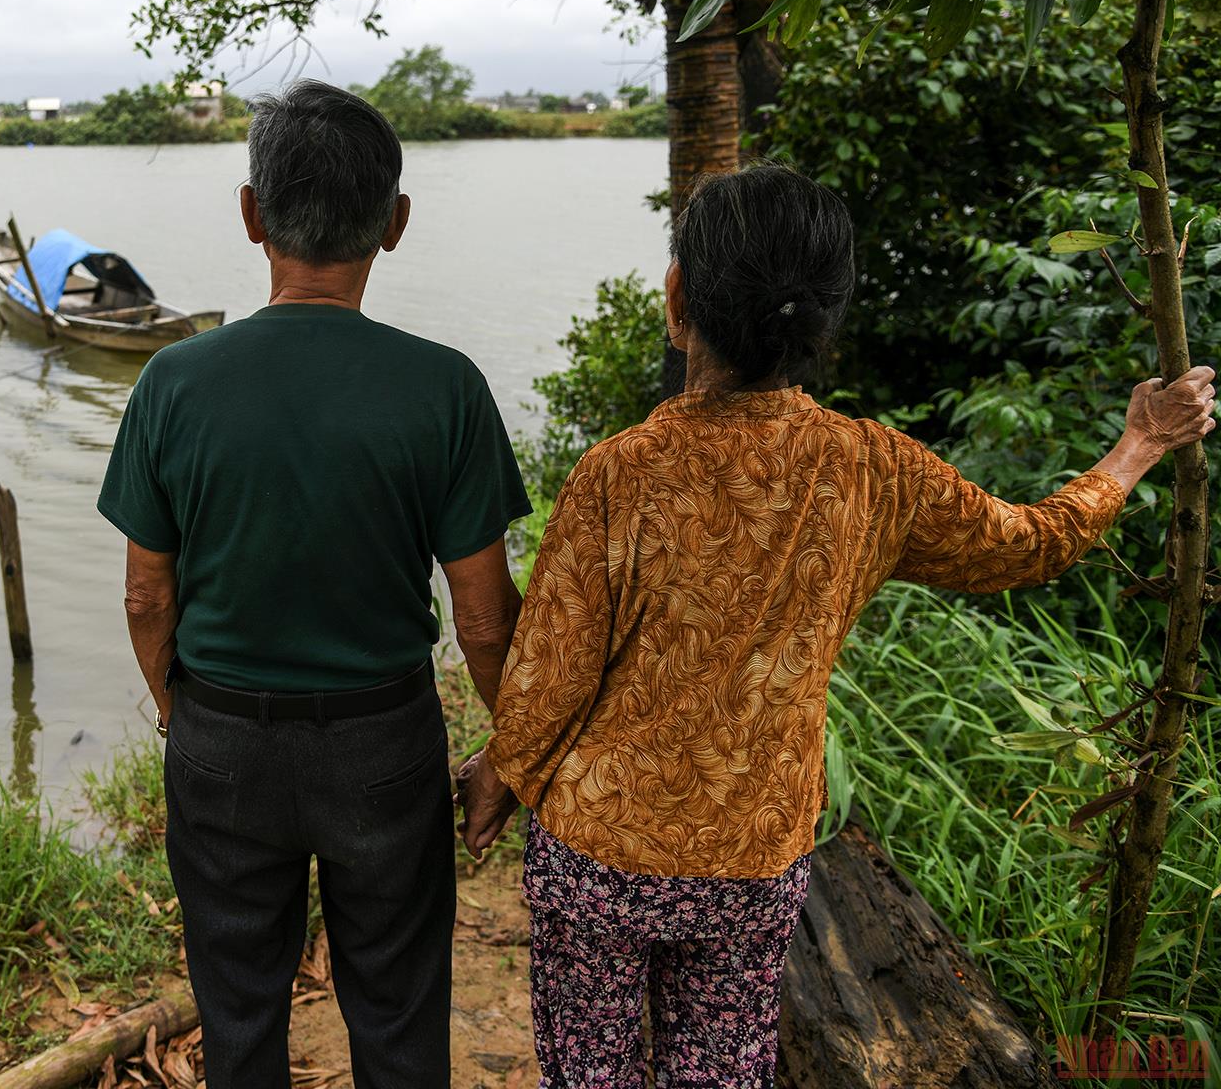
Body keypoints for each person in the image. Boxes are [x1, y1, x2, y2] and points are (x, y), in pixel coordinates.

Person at [456, 162, 1216, 1089]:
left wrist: (502, 768)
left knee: (591, 1076)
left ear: (677, 298)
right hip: (755, 857)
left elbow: (546, 679)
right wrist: (1140, 444)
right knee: (726, 1072)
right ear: (823, 317)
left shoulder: (621, 472)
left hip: (599, 858)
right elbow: (1031, 546)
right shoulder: (873, 469)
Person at [96, 79, 530, 1089]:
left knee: (238, 1008)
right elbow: (482, 617)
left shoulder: (173, 381)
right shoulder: (444, 387)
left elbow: (144, 599)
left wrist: (182, 713)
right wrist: (512, 744)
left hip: (222, 740)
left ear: (252, 215)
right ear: (395, 222)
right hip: (384, 743)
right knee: (397, 1005)